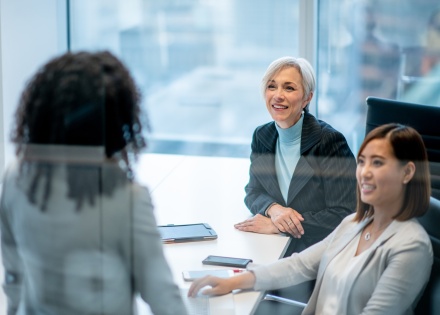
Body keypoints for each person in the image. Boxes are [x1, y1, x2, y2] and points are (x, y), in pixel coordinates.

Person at [0, 51, 187, 314]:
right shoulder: (126, 197)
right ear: (115, 122)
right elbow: (163, 298)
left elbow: (13, 277)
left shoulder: (15, 180)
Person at [189, 123, 433, 315]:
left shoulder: (411, 246)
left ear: (407, 172)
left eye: (377, 163)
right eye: (361, 162)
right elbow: (300, 265)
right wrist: (233, 282)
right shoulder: (354, 224)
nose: (364, 172)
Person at [235, 56, 357, 256]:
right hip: (274, 247)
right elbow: (253, 191)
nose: (278, 95)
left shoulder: (329, 142)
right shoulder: (262, 135)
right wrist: (274, 210)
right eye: (272, 86)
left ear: (307, 98)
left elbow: (344, 215)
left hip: (319, 252)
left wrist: (280, 226)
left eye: (289, 88)